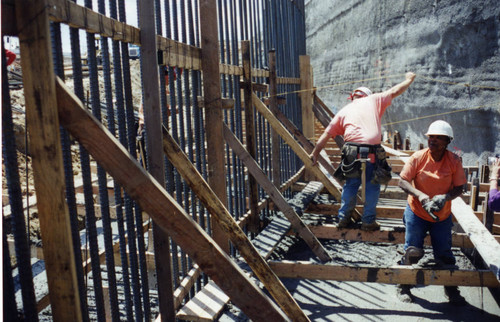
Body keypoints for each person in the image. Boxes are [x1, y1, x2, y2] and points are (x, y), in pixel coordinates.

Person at [310, 72, 416, 231]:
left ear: (353, 97)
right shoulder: (374, 100)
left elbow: (327, 134)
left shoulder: (345, 110)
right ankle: (368, 221)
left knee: (351, 185)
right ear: (367, 95)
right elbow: (395, 91)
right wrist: (409, 79)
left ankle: (343, 218)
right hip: (372, 152)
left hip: (352, 152)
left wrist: (315, 153)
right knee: (372, 186)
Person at [397, 120, 467, 305]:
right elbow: (402, 181)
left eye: (438, 138)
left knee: (444, 254)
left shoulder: (454, 161)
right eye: (431, 137)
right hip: (417, 212)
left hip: (441, 215)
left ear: (447, 141)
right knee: (412, 251)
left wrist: (444, 197)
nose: (433, 140)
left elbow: (459, 187)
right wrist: (421, 196)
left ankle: (451, 290)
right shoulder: (418, 157)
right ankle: (403, 285)